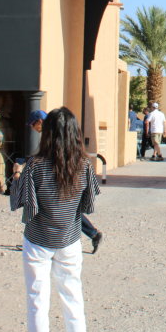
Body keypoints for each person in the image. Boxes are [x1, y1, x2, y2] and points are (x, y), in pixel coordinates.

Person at [11, 107, 100, 332]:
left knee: (37, 299)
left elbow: (23, 204)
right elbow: (87, 206)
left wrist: (17, 176)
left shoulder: (34, 165)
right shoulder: (84, 165)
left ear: (47, 132)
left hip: (38, 240)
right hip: (70, 239)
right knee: (73, 296)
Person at [28, 109, 102, 254]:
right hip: (66, 174)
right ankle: (92, 233)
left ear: (40, 122)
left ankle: (91, 233)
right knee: (65, 209)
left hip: (61, 175)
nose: (32, 128)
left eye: (32, 124)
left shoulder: (51, 134)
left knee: (55, 209)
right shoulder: (60, 129)